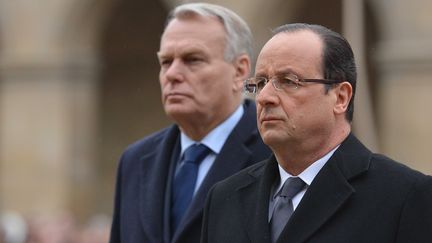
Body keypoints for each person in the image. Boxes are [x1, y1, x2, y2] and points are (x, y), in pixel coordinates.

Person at [201, 23, 432, 243]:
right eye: (260, 83)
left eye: (289, 81)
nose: (263, 97)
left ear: (340, 97)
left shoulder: (404, 196)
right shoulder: (224, 198)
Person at [109, 3, 271, 243]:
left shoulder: (275, 153)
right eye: (165, 62)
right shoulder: (135, 160)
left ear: (239, 71)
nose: (172, 74)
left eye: (192, 59)